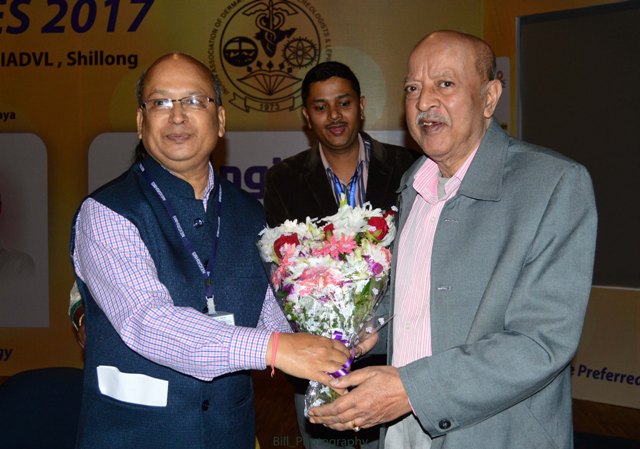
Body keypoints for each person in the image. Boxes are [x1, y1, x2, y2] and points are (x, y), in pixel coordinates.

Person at [307, 30, 597, 449]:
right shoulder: (413, 183)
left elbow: (541, 342)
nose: (424, 102)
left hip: (497, 433)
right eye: (412, 88)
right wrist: (371, 329)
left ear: (489, 97)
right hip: (402, 428)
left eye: (445, 84)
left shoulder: (553, 183)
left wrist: (412, 390)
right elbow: (425, 301)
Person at [70, 52, 351, 449]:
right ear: (140, 122)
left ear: (220, 121)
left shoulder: (251, 215)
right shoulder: (107, 212)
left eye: (194, 101)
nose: (177, 116)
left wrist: (336, 337)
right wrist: (275, 349)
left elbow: (273, 318)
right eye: (160, 102)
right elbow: (148, 322)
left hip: (230, 432)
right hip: (136, 434)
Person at [265, 61, 419, 449]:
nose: (334, 116)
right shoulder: (283, 179)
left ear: (361, 105)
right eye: (321, 107)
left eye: (344, 103)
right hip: (317, 364)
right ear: (307, 115)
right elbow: (281, 272)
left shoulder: (408, 167)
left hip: (394, 360)